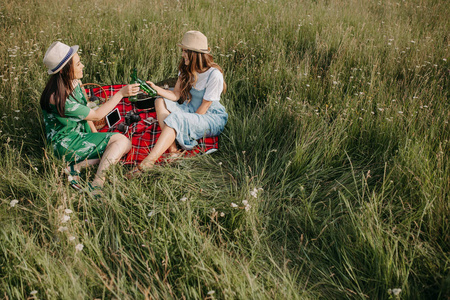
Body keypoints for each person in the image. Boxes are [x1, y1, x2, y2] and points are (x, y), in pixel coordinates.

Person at [40, 41, 139, 192]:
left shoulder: (74, 82)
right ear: (64, 70)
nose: (82, 66)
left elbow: (86, 110)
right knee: (121, 142)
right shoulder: (59, 98)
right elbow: (96, 115)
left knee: (118, 148)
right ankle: (97, 184)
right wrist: (120, 94)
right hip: (66, 144)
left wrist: (96, 136)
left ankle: (76, 167)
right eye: (78, 64)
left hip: (80, 132)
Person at [131, 30, 228, 175]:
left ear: (195, 53)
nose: (182, 54)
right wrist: (155, 88)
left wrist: (185, 125)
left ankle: (147, 163)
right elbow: (176, 95)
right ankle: (173, 150)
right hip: (190, 109)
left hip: (209, 116)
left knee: (175, 119)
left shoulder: (214, 75)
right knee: (159, 101)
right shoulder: (186, 69)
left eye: (184, 51)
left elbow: (204, 107)